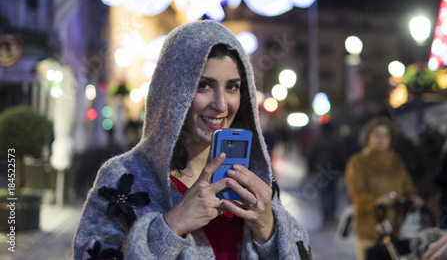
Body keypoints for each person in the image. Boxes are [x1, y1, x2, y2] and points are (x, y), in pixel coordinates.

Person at [73, 20, 311, 259]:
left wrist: (269, 231)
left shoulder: (256, 181)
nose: (220, 105)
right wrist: (171, 226)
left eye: (232, 87)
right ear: (172, 91)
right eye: (204, 85)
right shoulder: (123, 178)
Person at [345, 116, 424, 260]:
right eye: (377, 134)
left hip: (394, 228)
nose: (381, 139)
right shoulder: (358, 162)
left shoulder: (396, 161)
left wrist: (413, 198)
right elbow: (357, 195)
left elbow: (407, 186)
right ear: (369, 136)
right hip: (370, 228)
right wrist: (376, 201)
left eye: (385, 135)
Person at [307, 121, 346, 229]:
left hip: (321, 170)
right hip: (333, 170)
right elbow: (341, 156)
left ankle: (326, 217)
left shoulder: (317, 141)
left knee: (324, 194)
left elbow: (311, 156)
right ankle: (332, 215)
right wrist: (342, 170)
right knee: (333, 193)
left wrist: (310, 170)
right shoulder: (336, 140)